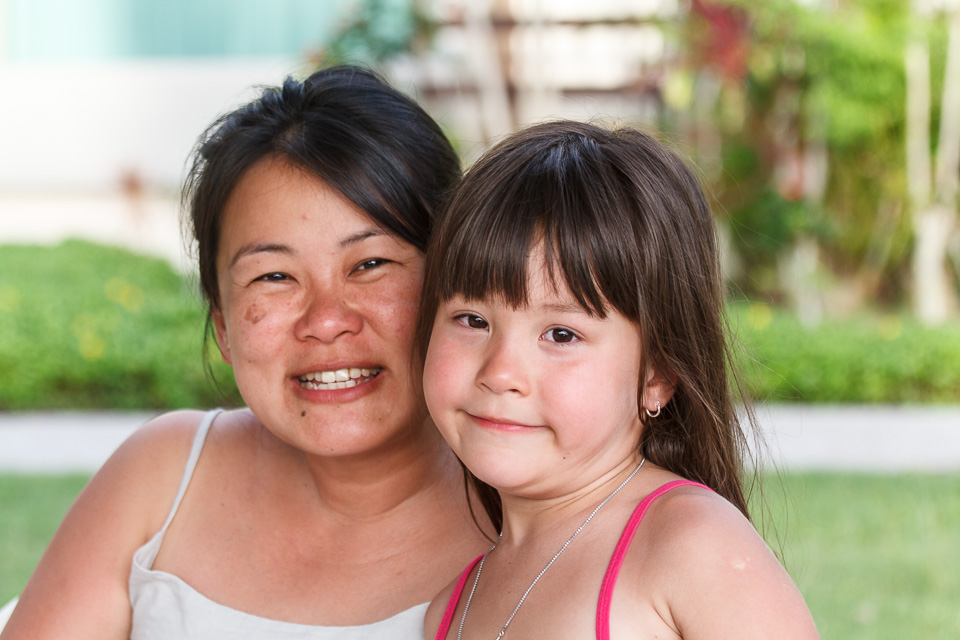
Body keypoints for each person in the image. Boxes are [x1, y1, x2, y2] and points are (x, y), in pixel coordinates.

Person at [1, 65, 492, 640]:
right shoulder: (162, 477)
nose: (326, 321)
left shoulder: (536, 527)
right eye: (274, 276)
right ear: (223, 326)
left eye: (370, 263)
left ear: (457, 283)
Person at [419, 121, 820, 639]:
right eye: (472, 320)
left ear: (658, 375)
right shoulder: (450, 610)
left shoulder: (693, 547)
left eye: (561, 334)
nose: (500, 374)